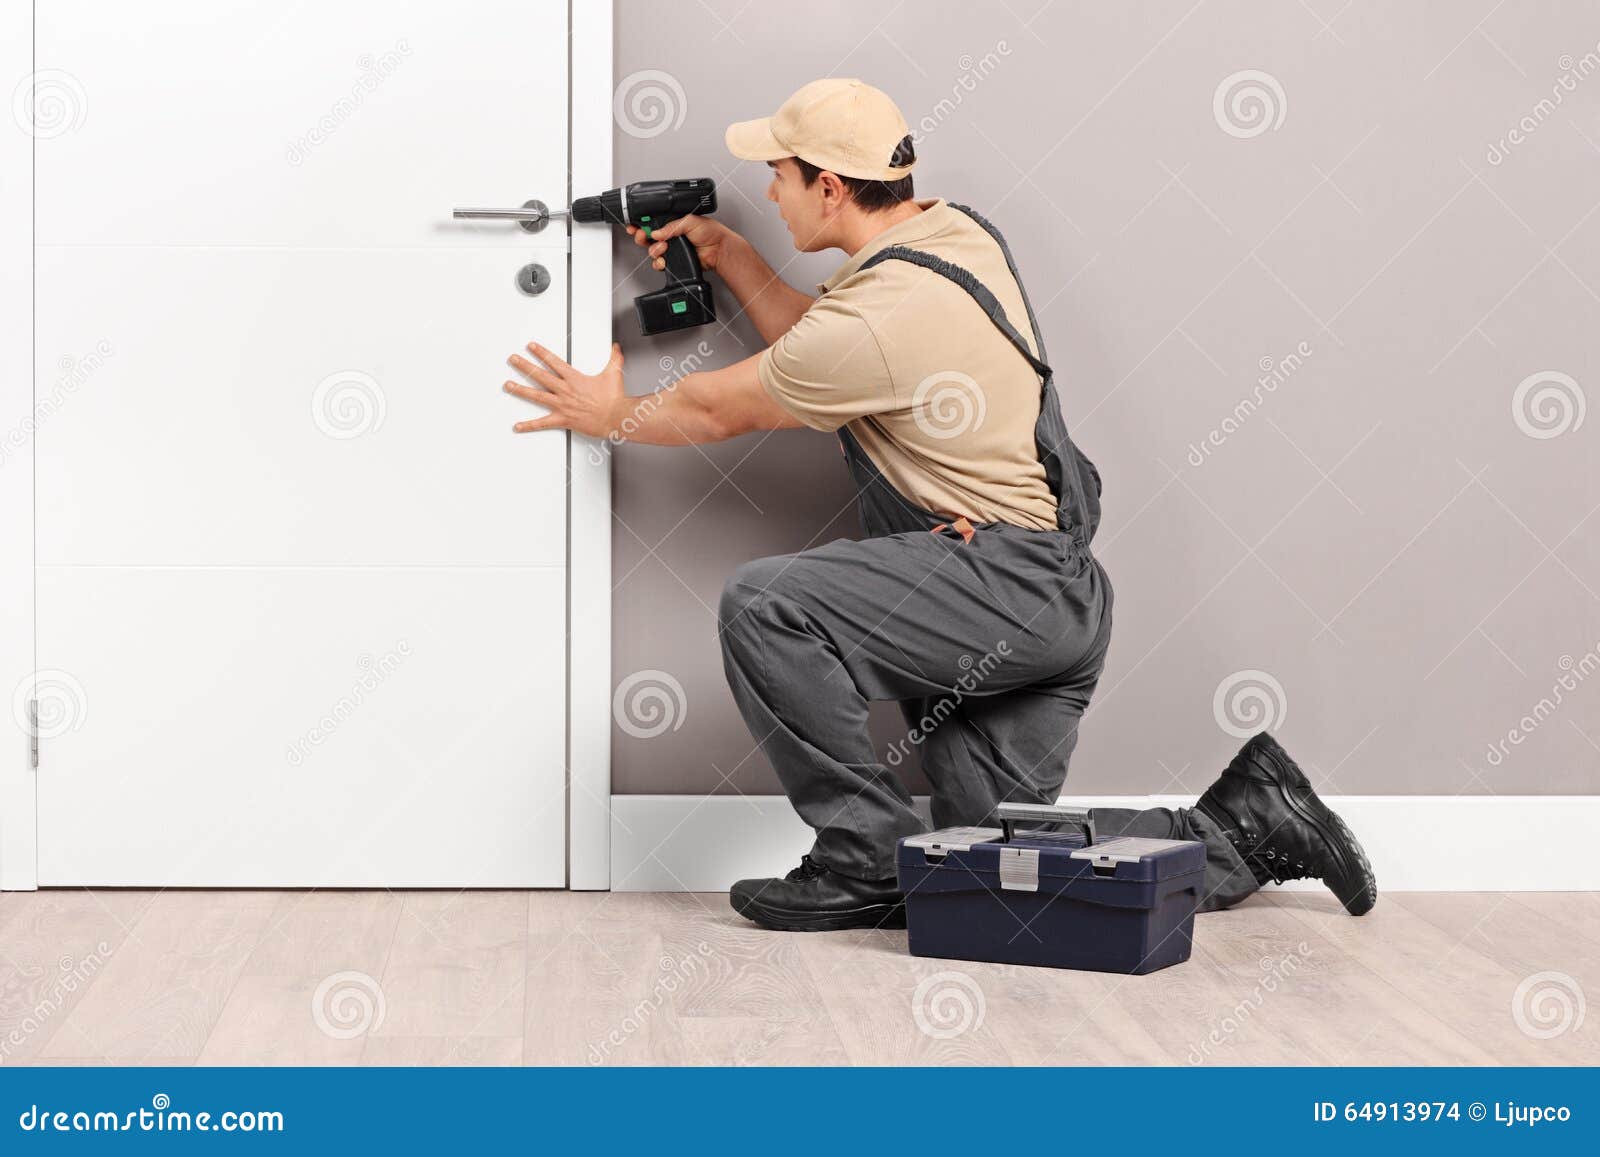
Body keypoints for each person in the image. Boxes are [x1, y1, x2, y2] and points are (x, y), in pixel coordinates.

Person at [503, 78, 1377, 931]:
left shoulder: (879, 318)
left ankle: (864, 859)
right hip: (1048, 592)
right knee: (988, 871)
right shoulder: (950, 236)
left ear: (830, 186)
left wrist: (608, 413)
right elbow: (835, 346)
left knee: (765, 606)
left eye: (781, 173)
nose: (769, 188)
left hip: (1004, 585)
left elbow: (720, 403)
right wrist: (730, 256)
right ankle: (1248, 823)